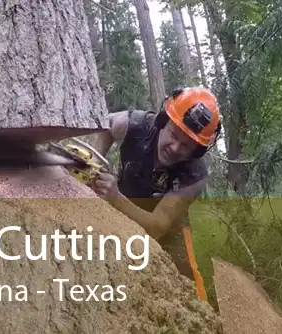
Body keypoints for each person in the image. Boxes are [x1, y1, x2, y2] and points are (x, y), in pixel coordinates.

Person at [87, 87, 222, 302]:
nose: (175, 148)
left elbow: (158, 227)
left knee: (188, 284)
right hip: (124, 202)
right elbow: (107, 125)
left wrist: (114, 198)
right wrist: (92, 162)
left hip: (168, 228)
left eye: (186, 146)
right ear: (162, 121)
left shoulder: (194, 175)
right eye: (174, 135)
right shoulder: (138, 124)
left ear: (197, 151)